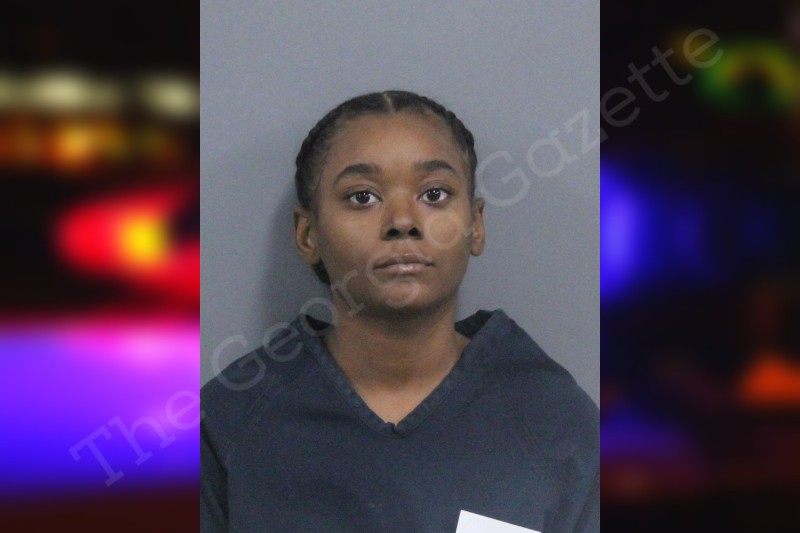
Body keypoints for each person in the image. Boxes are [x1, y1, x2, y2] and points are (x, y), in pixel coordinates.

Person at [201, 90, 599, 533]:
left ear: (476, 225)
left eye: (434, 193)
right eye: (362, 197)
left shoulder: (554, 422)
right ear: (307, 234)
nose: (402, 221)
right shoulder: (230, 421)